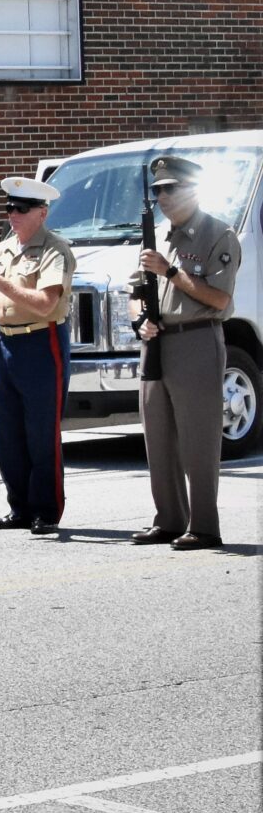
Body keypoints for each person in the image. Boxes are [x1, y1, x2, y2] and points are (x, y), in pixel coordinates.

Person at [131, 155, 240, 550]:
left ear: (192, 189)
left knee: (198, 439)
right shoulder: (156, 236)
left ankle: (205, 526)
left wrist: (171, 273)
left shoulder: (217, 234)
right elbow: (134, 293)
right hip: (157, 342)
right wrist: (139, 320)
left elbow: (219, 297)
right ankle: (170, 520)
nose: (163, 197)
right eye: (158, 190)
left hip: (197, 337)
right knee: (157, 438)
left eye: (171, 188)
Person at [0, 175, 76, 535]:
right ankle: (20, 507)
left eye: (21, 208)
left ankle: (46, 509)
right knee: (7, 432)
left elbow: (46, 304)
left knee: (41, 432)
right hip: (7, 346)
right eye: (10, 207)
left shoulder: (54, 250)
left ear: (41, 213)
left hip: (42, 343)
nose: (12, 214)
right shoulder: (0, 251)